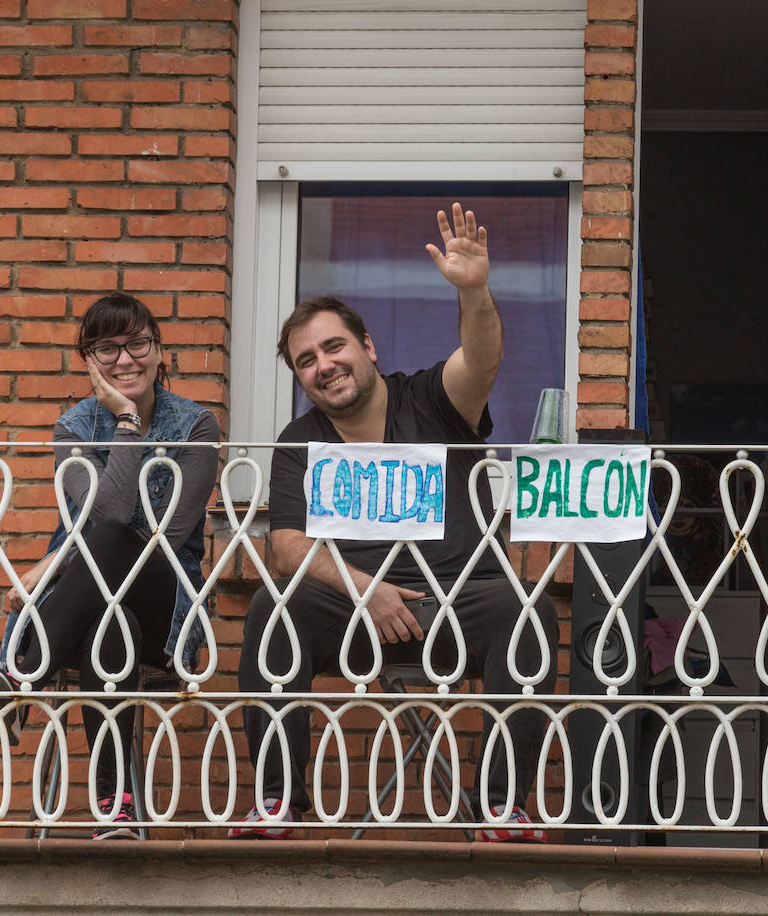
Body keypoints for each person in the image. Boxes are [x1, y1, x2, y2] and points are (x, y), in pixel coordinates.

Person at [232, 203, 559, 842]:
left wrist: (475, 292)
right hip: (357, 617)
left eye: (334, 346)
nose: (324, 365)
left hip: (455, 608)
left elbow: (482, 358)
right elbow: (286, 546)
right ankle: (278, 800)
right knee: (271, 615)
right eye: (306, 360)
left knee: (528, 613)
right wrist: (366, 590)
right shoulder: (301, 440)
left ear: (368, 347)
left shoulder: (433, 400)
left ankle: (499, 803)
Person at [0, 293, 219, 840]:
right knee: (112, 625)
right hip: (91, 612)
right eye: (106, 348)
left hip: (166, 598)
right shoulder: (75, 427)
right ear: (88, 360)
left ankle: (20, 679)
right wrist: (125, 422)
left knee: (116, 554)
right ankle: (116, 802)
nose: (124, 359)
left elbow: (164, 537)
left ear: (159, 351)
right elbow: (100, 514)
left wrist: (53, 562)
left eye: (137, 344)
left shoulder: (197, 427)